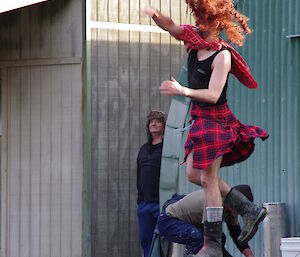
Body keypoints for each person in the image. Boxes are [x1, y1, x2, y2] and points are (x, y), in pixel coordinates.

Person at [144, 1, 269, 256]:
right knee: (192, 174)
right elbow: (172, 27)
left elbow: (213, 94)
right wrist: (155, 15)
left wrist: (182, 90)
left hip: (216, 121)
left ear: (218, 22)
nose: (199, 23)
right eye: (198, 17)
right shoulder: (193, 40)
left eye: (204, 19)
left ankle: (211, 243)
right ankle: (249, 209)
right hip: (200, 120)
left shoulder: (223, 55)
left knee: (207, 179)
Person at [158, 185, 255, 257]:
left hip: (185, 216)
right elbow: (211, 243)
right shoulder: (214, 204)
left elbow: (237, 236)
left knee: (220, 238)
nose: (241, 212)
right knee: (199, 238)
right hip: (169, 221)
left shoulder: (231, 209)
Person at [137, 110, 167, 257]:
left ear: (164, 126)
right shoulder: (143, 149)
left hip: (161, 204)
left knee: (165, 242)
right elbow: (139, 175)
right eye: (151, 121)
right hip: (145, 205)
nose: (153, 123)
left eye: (158, 121)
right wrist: (140, 201)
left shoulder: (168, 148)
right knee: (146, 242)